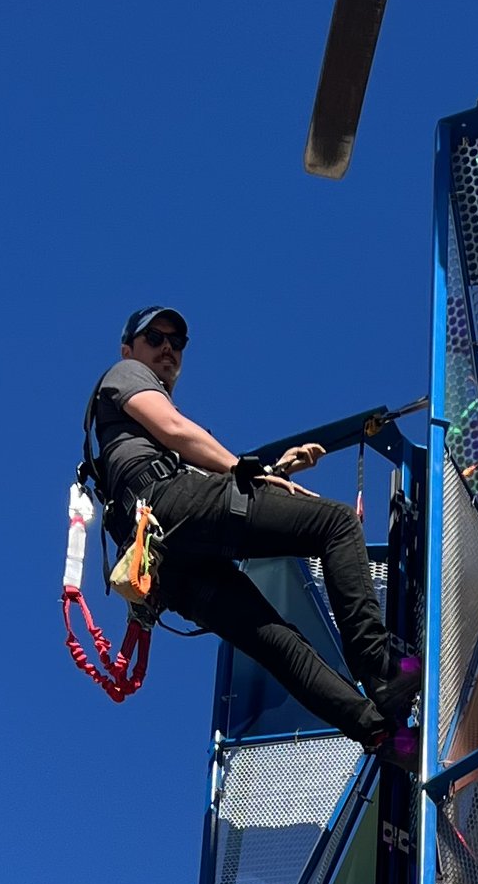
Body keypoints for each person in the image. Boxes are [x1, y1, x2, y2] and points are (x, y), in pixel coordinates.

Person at [87, 304, 417, 747]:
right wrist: (251, 471)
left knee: (275, 641)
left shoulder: (129, 438)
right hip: (167, 509)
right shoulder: (125, 374)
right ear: (129, 349)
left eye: (177, 342)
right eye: (155, 339)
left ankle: (378, 733)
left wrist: (277, 470)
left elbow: (208, 485)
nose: (168, 348)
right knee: (335, 524)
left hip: (168, 560)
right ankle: (380, 665)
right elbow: (176, 429)